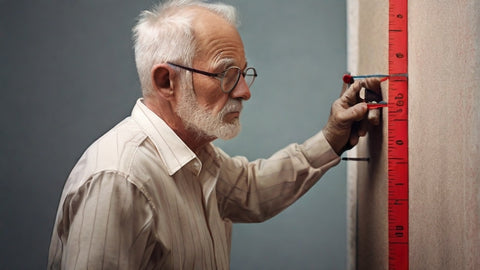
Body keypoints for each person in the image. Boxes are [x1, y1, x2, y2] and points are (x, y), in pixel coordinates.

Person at [48, 0, 381, 269]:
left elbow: (253, 189)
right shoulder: (119, 180)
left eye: (243, 73)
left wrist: (333, 137)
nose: (244, 92)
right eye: (226, 74)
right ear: (166, 81)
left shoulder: (193, 155)